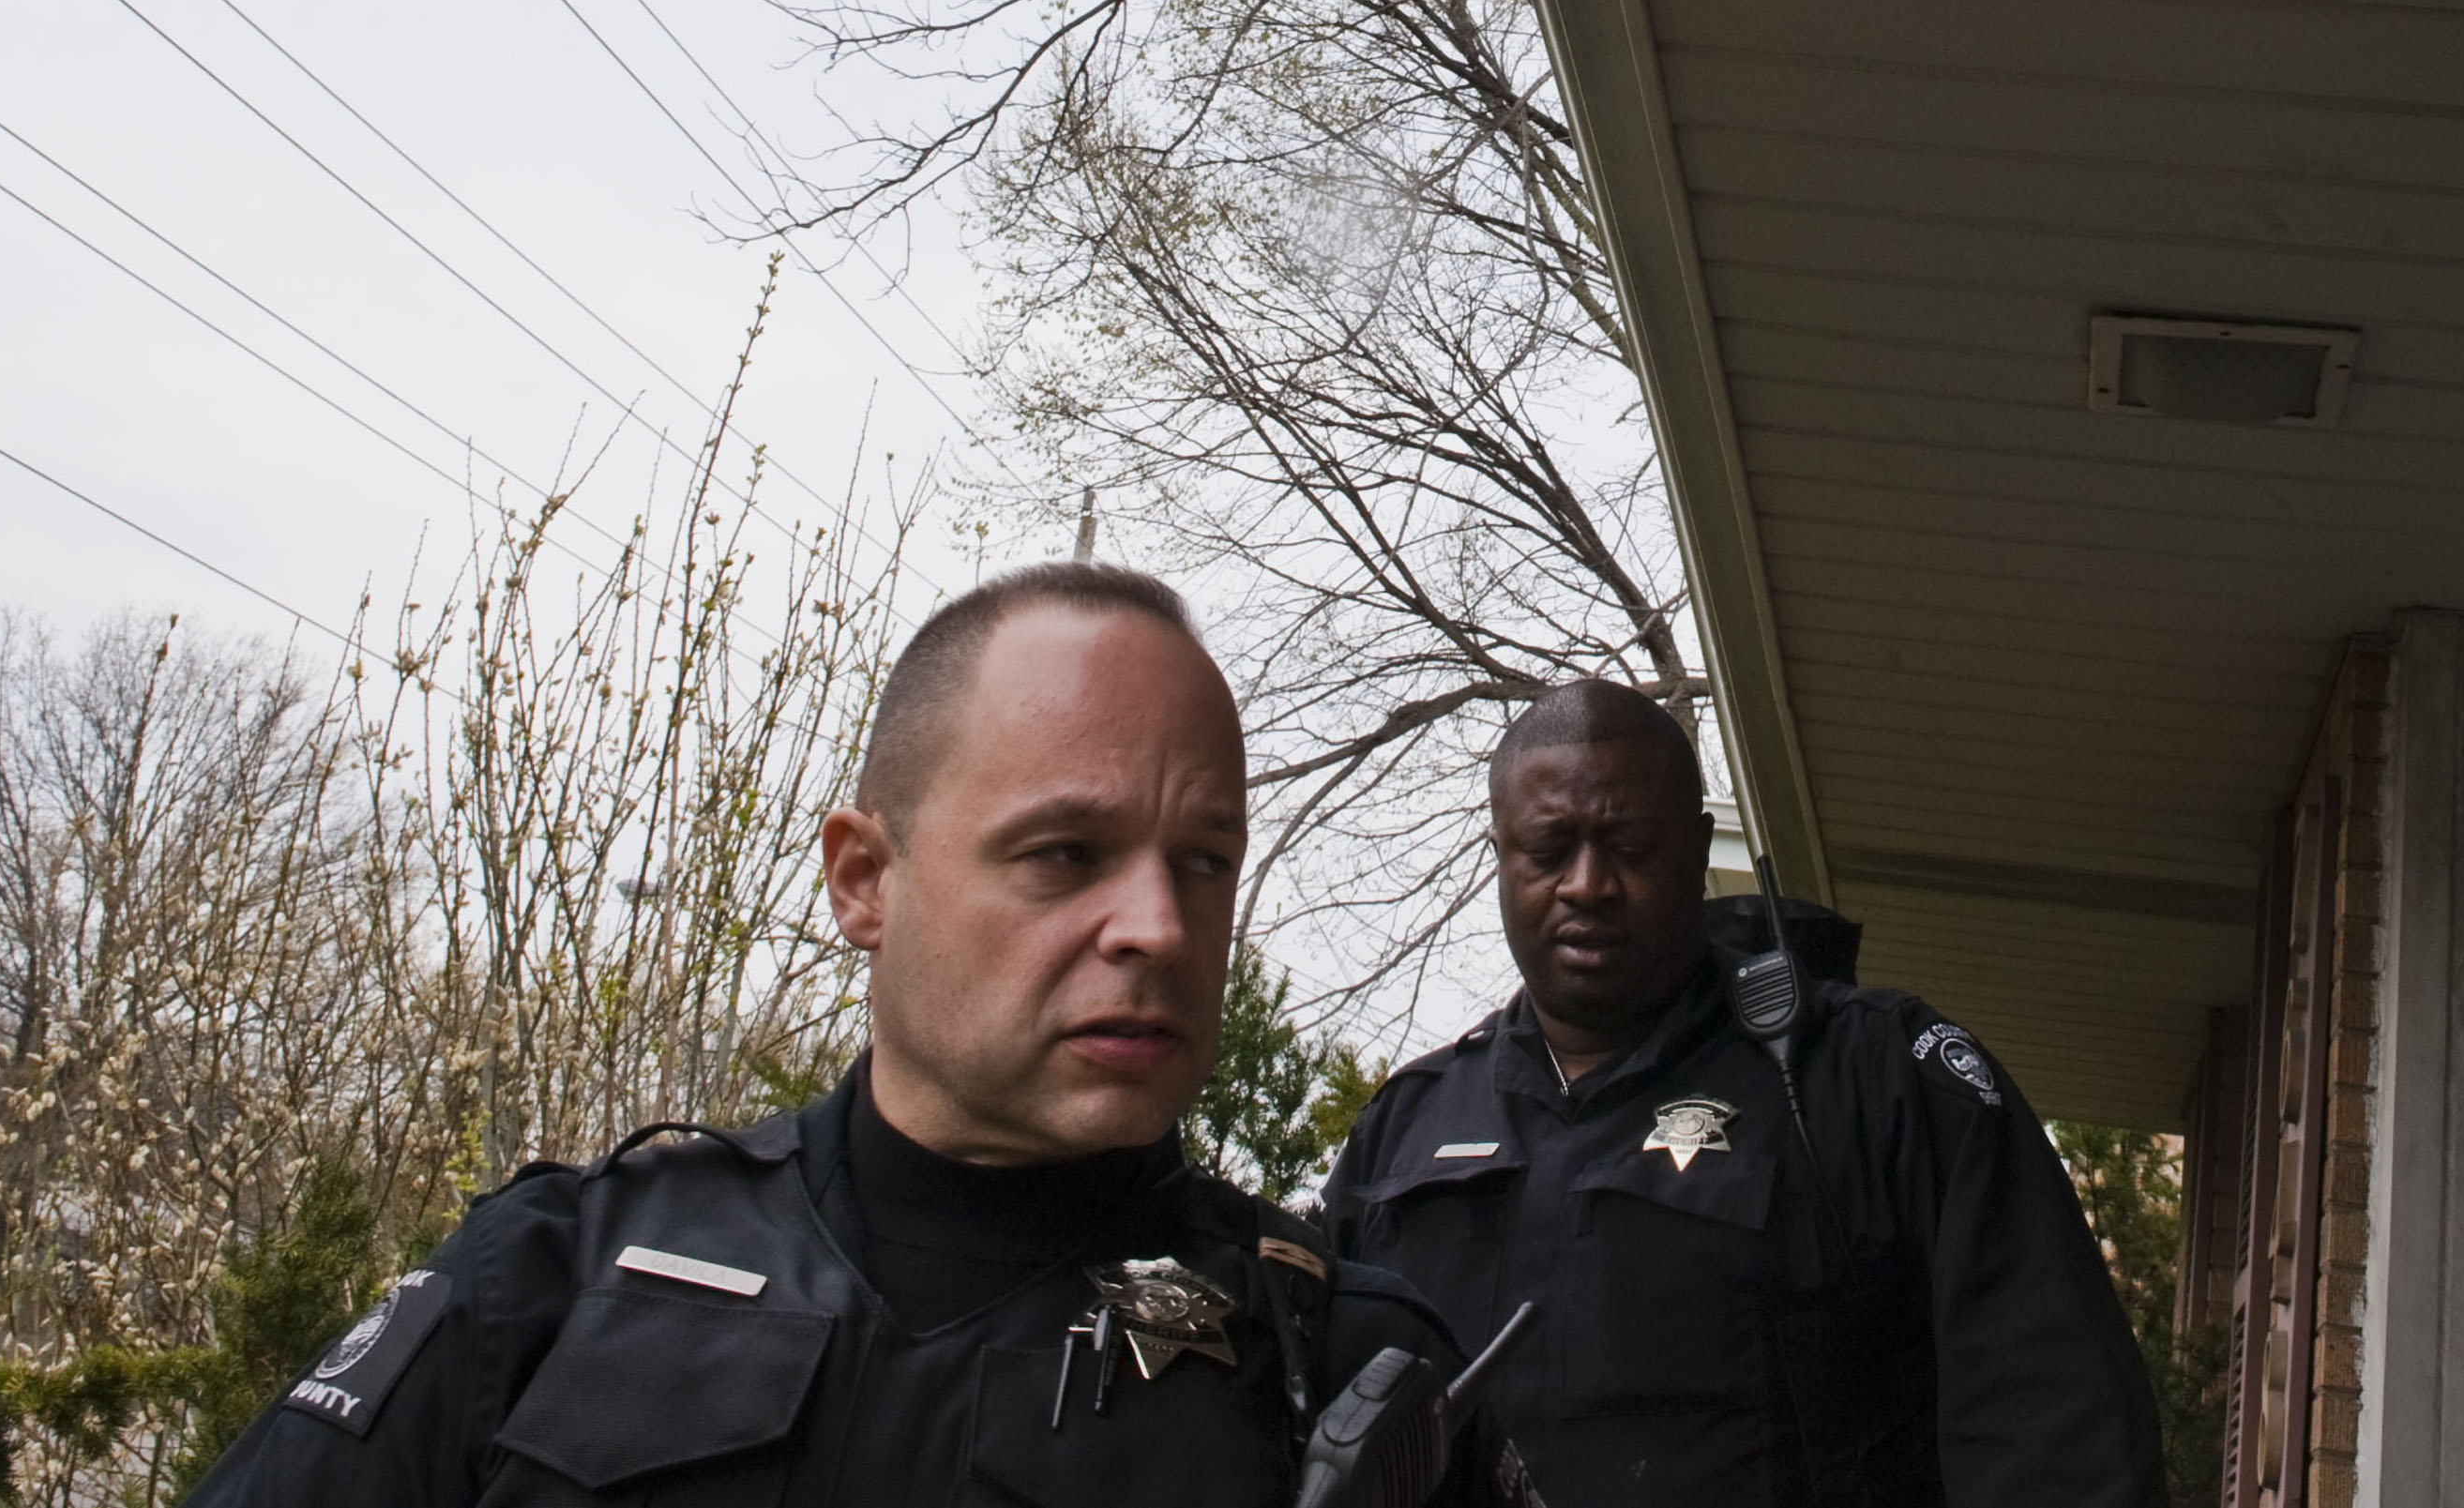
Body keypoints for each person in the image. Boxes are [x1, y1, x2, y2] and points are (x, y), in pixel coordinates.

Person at [189, 562, 1530, 1507]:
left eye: (1203, 861)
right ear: (862, 879)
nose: (1158, 928)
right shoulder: (555, 1280)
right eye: (1065, 854)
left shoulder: (1347, 1370)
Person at [1323, 683, 2167, 1507]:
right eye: (1548, 849)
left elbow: (2056, 1434)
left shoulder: (1872, 1079)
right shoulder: (1405, 1129)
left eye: (1629, 845)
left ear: (1696, 849)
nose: (1587, 883)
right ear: (1500, 853)